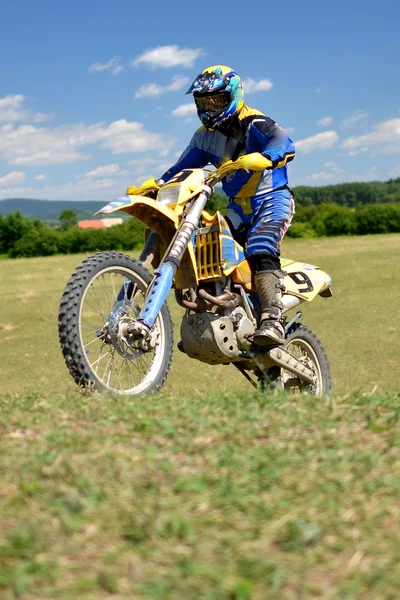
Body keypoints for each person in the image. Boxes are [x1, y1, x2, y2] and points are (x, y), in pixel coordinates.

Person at [130, 65, 295, 346]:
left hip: (273, 199)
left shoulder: (254, 122)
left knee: (260, 245)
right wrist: (156, 184)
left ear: (233, 95)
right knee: (204, 245)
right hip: (238, 207)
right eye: (203, 102)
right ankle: (213, 310)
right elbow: (181, 168)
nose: (209, 107)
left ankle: (272, 320)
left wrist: (265, 157)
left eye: (215, 100)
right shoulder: (203, 137)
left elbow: (285, 142)